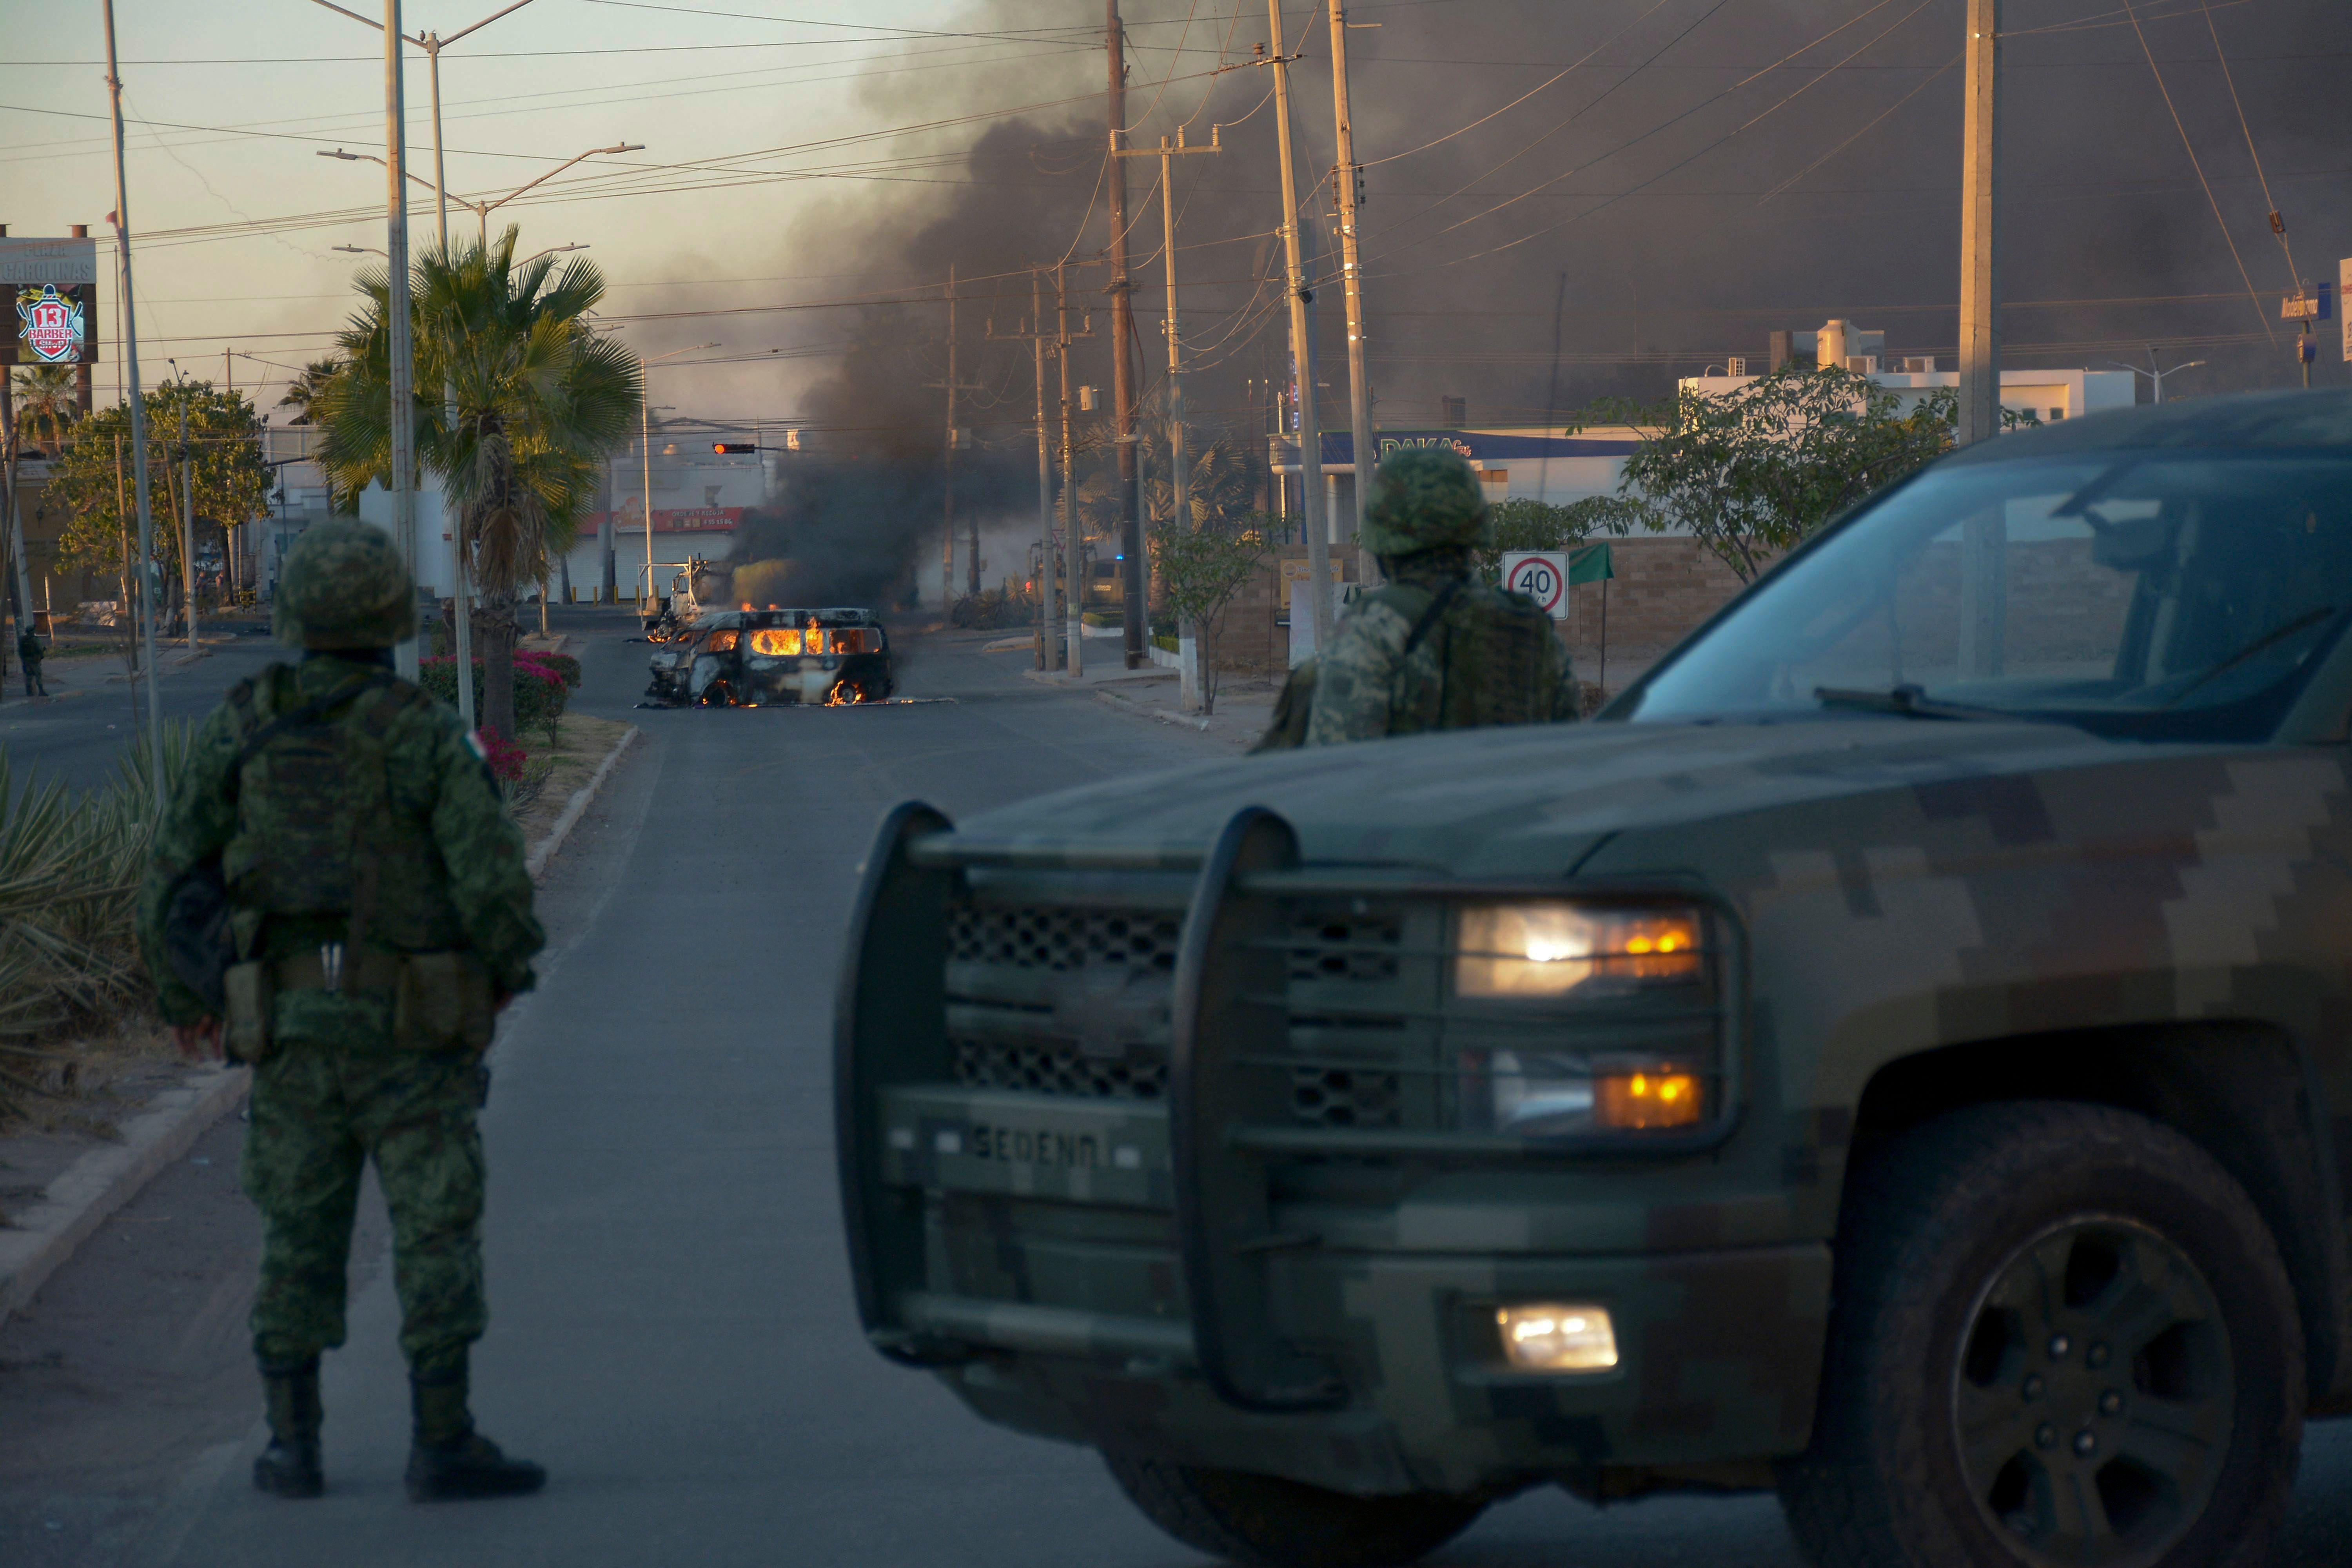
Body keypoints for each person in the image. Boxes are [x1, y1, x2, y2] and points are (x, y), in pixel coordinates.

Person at [136, 520, 548, 1504]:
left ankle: (292, 1448)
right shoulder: (420, 728)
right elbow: (490, 874)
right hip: (413, 1036)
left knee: (297, 1235)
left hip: (290, 1034)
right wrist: (502, 975)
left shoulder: (246, 721)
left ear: (293, 617)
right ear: (390, 617)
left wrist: (183, 999)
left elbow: (171, 872)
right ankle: (441, 1442)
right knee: (435, 1230)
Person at [1299, 447, 1579, 746]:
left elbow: (1333, 769)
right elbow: (1566, 756)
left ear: (1383, 543)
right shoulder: (1530, 631)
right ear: (1473, 534)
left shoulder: (1369, 631)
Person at [16, 622, 43, 698]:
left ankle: (29, 692)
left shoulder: (23, 640)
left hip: (26, 660)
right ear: (33, 631)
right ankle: (41, 691)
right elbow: (40, 649)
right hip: (35, 660)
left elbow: (20, 651)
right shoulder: (35, 640)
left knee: (29, 676)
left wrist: (24, 659)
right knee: (38, 675)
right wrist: (41, 657)